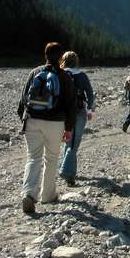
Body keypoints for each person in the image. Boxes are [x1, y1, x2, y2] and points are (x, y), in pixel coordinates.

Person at [17, 42, 76, 214]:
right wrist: (69, 128)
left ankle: (28, 194)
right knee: (51, 158)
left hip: (32, 121)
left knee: (33, 157)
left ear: (45, 55)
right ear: (60, 58)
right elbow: (71, 105)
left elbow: (22, 101)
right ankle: (48, 195)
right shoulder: (64, 77)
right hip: (55, 123)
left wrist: (25, 118)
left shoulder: (35, 73)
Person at [58, 51, 95, 187]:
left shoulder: (59, 74)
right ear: (76, 61)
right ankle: (68, 173)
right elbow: (90, 94)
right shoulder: (82, 75)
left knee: (68, 142)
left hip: (61, 114)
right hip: (79, 112)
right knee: (74, 144)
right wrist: (89, 110)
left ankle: (67, 170)